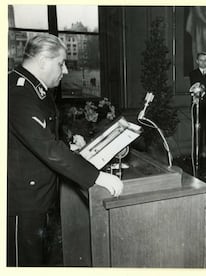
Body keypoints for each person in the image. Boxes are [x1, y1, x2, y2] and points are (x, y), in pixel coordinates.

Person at [7, 34, 123, 266]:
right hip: (22, 202)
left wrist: (68, 145)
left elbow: (36, 137)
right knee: (24, 263)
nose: (65, 70)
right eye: (61, 63)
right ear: (42, 61)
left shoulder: (33, 88)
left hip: (36, 196)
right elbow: (46, 146)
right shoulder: (18, 93)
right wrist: (96, 176)